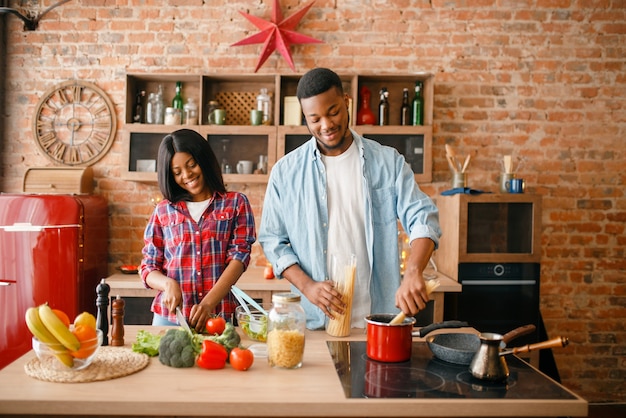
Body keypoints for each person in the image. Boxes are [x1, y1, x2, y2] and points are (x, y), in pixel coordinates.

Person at [259, 68, 441, 330]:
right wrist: (308, 286)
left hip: (377, 321)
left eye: (333, 112)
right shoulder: (285, 173)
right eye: (315, 119)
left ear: (346, 102)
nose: (326, 125)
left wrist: (414, 271)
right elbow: (273, 241)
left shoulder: (388, 162)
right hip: (315, 324)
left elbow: (422, 217)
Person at [140, 129, 256, 331]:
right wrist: (168, 284)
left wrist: (208, 303)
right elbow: (148, 267)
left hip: (217, 315)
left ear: (204, 159)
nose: (187, 175)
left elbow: (239, 259)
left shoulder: (235, 203)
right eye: (177, 172)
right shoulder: (163, 210)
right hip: (170, 317)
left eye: (191, 165)